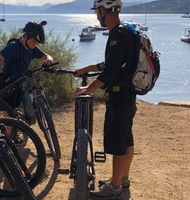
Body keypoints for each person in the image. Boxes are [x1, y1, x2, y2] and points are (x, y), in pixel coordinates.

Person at [73, 0, 138, 199]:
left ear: (104, 11)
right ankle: (122, 179)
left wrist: (87, 88)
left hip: (119, 96)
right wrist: (87, 69)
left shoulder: (116, 35)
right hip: (129, 94)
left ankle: (115, 187)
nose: (96, 16)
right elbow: (113, 63)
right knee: (126, 138)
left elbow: (110, 72)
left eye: (97, 12)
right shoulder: (129, 31)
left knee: (117, 141)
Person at [0, 20, 54, 114]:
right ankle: (8, 127)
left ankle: (18, 122)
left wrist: (49, 60)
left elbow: (46, 56)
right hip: (8, 80)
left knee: (17, 106)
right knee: (8, 109)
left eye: (37, 42)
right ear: (25, 37)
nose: (35, 44)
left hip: (21, 79)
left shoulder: (32, 48)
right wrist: (0, 75)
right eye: (33, 41)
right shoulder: (13, 46)